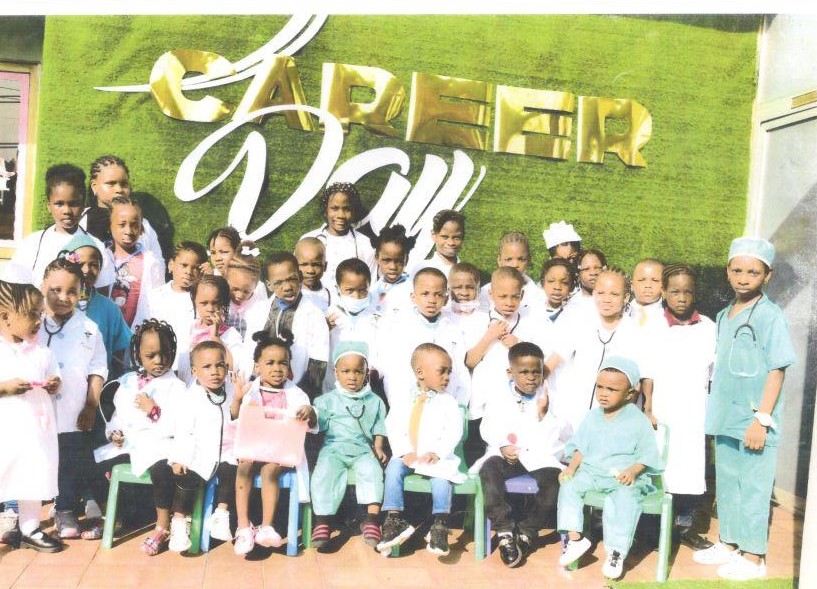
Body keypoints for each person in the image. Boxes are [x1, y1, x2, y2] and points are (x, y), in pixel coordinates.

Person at [692, 237, 796, 581]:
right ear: (727, 271)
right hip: (726, 415)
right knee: (727, 482)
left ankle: (754, 556)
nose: (743, 278)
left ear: (768, 276)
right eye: (737, 270)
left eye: (753, 272)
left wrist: (761, 420)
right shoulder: (724, 316)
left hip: (754, 419)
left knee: (753, 487)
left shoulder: (770, 315)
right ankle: (729, 542)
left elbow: (777, 370)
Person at [557, 355, 663, 580]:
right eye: (600, 387)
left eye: (612, 389)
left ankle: (616, 551)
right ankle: (575, 539)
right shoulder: (592, 417)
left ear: (630, 394)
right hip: (591, 472)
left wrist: (632, 471)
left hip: (621, 477)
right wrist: (571, 469)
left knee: (625, 499)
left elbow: (647, 455)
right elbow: (581, 448)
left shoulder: (638, 420)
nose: (603, 393)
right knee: (568, 486)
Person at [476, 342, 570, 568]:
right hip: (506, 457)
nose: (531, 378)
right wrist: (502, 445)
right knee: (489, 470)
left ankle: (527, 532)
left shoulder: (550, 396)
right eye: (524, 372)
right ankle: (504, 531)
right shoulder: (499, 396)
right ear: (511, 372)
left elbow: (562, 434)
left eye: (536, 372)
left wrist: (545, 415)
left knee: (554, 481)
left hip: (538, 457)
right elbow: (488, 427)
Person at [645, 264, 715, 550]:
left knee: (689, 469)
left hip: (695, 411)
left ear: (695, 293)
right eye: (675, 291)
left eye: (688, 292)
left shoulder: (708, 327)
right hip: (663, 409)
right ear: (663, 292)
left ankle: (685, 528)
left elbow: (714, 373)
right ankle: (654, 529)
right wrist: (648, 407)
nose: (682, 298)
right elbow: (647, 371)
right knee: (661, 468)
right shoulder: (653, 326)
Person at [104, 319, 188, 555]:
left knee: (162, 470)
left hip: (162, 444)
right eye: (151, 356)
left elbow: (179, 425)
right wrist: (115, 433)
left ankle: (162, 525)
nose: (159, 361)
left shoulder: (177, 387)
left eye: (165, 354)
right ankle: (116, 517)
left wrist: (154, 411)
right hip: (133, 443)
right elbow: (117, 416)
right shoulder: (129, 382)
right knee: (103, 464)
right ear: (138, 355)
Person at [38, 258, 108, 540]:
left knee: (67, 460)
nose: (63, 297)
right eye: (55, 290)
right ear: (42, 286)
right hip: (37, 410)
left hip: (72, 410)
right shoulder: (33, 324)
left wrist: (91, 405)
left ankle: (65, 509)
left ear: (82, 291)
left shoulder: (89, 328)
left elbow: (97, 369)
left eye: (72, 291)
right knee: (35, 459)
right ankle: (17, 511)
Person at [232, 332, 317, 555]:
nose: (277, 368)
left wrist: (308, 412)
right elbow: (235, 417)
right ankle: (243, 526)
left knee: (270, 471)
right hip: (252, 447)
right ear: (257, 366)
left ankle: (266, 527)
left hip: (281, 451)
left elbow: (310, 420)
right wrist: (238, 399)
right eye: (270, 363)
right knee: (244, 467)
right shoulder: (249, 390)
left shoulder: (296, 393)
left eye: (283, 363)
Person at [377, 344, 465, 557]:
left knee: (441, 480)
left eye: (449, 372)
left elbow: (453, 432)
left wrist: (437, 452)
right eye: (442, 371)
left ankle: (440, 525)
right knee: (393, 469)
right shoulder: (403, 398)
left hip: (436, 457)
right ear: (420, 372)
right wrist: (404, 451)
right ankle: (395, 519)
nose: (447, 377)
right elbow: (393, 426)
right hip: (409, 454)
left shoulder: (449, 402)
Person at [546, 268, 652, 433]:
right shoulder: (580, 322)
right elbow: (555, 358)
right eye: (601, 293)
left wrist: (624, 416)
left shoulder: (634, 332)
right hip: (574, 409)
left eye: (614, 294)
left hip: (611, 415)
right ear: (594, 294)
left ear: (625, 297)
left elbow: (638, 381)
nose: (606, 299)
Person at [0, 280, 63, 552]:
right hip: (6, 429)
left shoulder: (41, 352)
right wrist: (5, 388)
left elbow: (56, 375)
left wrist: (54, 383)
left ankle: (30, 528)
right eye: (31, 314)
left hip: (35, 431)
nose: (38, 321)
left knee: (32, 473)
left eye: (40, 314)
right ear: (6, 317)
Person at [310, 341, 387, 550]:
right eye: (346, 371)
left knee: (373, 471)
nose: (352, 377)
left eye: (358, 371)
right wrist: (310, 415)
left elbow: (379, 426)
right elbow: (318, 423)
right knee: (324, 472)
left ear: (366, 374)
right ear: (335, 372)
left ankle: (371, 520)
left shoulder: (374, 401)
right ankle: (323, 522)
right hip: (334, 449)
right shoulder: (326, 400)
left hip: (363, 450)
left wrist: (378, 447)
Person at [169, 340, 242, 552]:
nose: (215, 372)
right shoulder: (190, 397)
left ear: (226, 367)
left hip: (225, 450)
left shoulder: (232, 390)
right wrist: (179, 458)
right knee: (186, 479)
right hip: (196, 452)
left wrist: (238, 399)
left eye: (219, 366)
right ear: (194, 371)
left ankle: (221, 515)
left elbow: (236, 418)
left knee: (232, 469)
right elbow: (182, 431)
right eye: (207, 367)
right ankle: (179, 522)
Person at [468, 267, 553, 423]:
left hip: (519, 398)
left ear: (522, 295)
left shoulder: (531, 320)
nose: (509, 303)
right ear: (491, 295)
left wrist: (519, 344)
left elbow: (541, 359)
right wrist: (489, 337)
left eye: (515, 297)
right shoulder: (478, 320)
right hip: (484, 395)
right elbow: (470, 361)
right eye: (503, 296)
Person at [375, 267, 467, 407]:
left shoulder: (453, 329)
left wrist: (460, 403)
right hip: (407, 402)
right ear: (413, 297)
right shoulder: (399, 326)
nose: (432, 300)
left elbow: (460, 369)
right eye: (425, 294)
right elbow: (389, 365)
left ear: (446, 299)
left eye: (438, 295)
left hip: (445, 403)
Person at [9, 163, 112, 289]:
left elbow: (102, 292)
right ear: (49, 206)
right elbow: (15, 290)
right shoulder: (31, 245)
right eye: (59, 204)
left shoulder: (96, 246)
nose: (67, 211)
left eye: (74, 204)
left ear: (83, 204)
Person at [246, 251, 329, 399]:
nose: (287, 287)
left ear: (300, 277)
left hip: (297, 393)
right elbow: (249, 352)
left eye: (292, 279)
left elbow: (318, 362)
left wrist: (304, 398)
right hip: (258, 393)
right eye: (278, 283)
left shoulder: (314, 315)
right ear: (269, 285)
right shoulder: (258, 311)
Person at [60, 234, 132, 378]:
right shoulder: (57, 304)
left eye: (93, 265)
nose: (87, 270)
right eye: (80, 264)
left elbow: (121, 351)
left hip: (98, 382)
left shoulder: (110, 309)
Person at [82, 155, 164, 268]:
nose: (119, 189)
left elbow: (157, 264)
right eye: (111, 184)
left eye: (124, 184)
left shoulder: (142, 224)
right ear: (94, 186)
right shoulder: (81, 221)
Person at [138, 241, 208, 367]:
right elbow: (141, 330)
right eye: (184, 265)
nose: (189, 272)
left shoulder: (203, 300)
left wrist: (210, 279)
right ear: (171, 264)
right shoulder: (154, 297)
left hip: (192, 363)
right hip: (160, 363)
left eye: (196, 268)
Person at [102, 196, 165, 327]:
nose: (128, 231)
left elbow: (159, 301)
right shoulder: (101, 257)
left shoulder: (151, 262)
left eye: (134, 225)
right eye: (122, 225)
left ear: (141, 228)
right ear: (109, 226)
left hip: (136, 332)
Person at [300, 182, 376, 288]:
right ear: (325, 210)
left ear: (354, 211)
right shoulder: (307, 240)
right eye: (335, 208)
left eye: (347, 209)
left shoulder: (365, 244)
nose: (341, 215)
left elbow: (370, 286)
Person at [176, 275, 243, 384]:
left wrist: (215, 337)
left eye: (215, 303)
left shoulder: (230, 335)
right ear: (195, 301)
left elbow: (234, 367)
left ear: (222, 303)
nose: (210, 309)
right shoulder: (189, 329)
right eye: (204, 303)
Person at [324, 258, 378, 392]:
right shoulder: (330, 315)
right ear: (338, 288)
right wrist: (324, 330)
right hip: (334, 384)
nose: (356, 296)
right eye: (349, 290)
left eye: (362, 290)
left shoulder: (376, 315)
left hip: (366, 383)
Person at [478, 232, 547, 313]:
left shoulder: (539, 295)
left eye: (521, 259)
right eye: (509, 259)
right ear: (499, 260)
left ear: (529, 260)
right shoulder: (485, 292)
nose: (515, 265)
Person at [369, 224, 415, 319]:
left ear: (406, 260)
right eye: (387, 260)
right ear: (377, 258)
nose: (393, 267)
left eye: (398, 261)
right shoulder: (372, 291)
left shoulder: (414, 290)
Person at [224, 241, 268, 339]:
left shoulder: (259, 303)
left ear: (255, 286)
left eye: (246, 291)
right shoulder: (220, 298)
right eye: (235, 289)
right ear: (226, 280)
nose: (240, 295)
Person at [410, 209, 465, 279]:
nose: (451, 243)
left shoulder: (469, 272)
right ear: (433, 235)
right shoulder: (421, 269)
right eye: (445, 237)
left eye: (456, 237)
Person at [564, 248, 607, 317]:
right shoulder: (572, 306)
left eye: (597, 268)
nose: (593, 273)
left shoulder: (614, 299)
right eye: (586, 269)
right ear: (578, 274)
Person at [294, 237, 332, 312]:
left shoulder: (330, 294)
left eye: (316, 264)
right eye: (304, 264)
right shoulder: (290, 295)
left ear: (325, 266)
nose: (310, 271)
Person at [629, 258, 665, 330]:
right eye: (641, 280)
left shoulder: (670, 316)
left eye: (655, 281)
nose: (648, 285)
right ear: (632, 285)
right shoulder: (620, 312)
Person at [540, 258, 576, 323]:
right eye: (551, 281)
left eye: (564, 282)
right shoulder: (531, 311)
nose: (557, 287)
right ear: (542, 283)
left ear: (571, 287)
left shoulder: (577, 314)